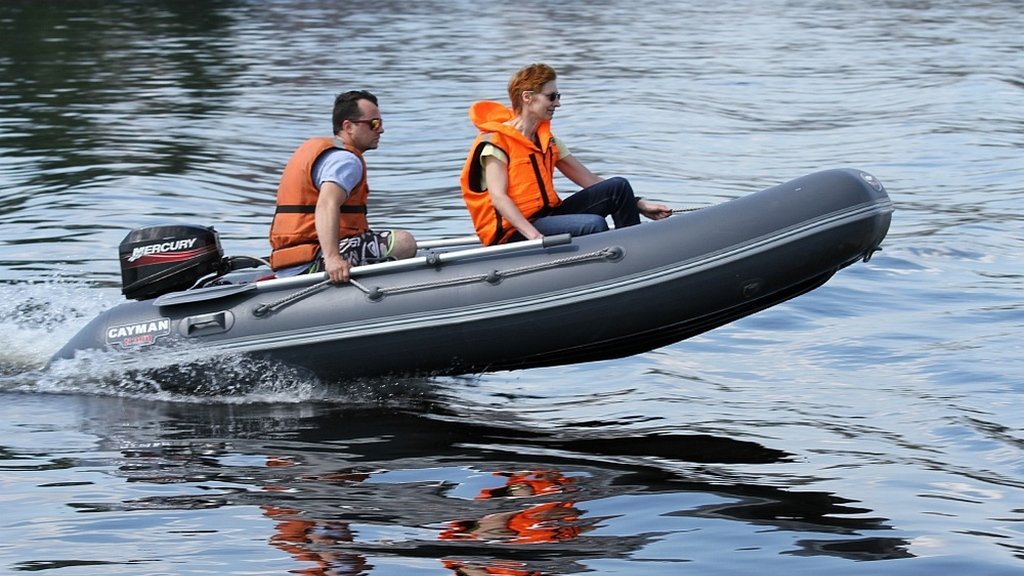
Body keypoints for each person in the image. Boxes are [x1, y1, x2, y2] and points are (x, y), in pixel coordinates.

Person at [459, 63, 672, 246]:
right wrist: (534, 236)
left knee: (618, 187)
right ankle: (616, 265)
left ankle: (636, 251)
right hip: (515, 230)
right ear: (528, 98)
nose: (557, 103)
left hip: (547, 217)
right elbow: (499, 197)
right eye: (551, 97)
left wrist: (639, 204)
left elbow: (590, 181)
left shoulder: (548, 141)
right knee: (593, 224)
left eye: (558, 96)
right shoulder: (495, 144)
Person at [269, 90, 417, 283]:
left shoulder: (328, 153)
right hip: (312, 261)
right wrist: (332, 259)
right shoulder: (346, 161)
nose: (380, 130)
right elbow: (327, 204)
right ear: (348, 126)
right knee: (403, 242)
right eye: (374, 123)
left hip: (292, 262)